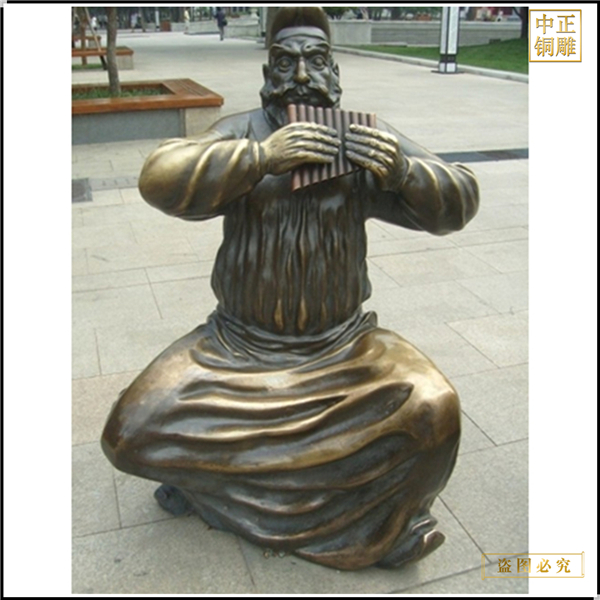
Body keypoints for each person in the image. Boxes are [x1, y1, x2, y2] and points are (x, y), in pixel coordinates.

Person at [102, 7, 479, 571]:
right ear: (267, 72)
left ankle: (375, 523)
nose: (301, 75)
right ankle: (237, 490)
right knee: (127, 432)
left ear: (335, 70)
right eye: (285, 62)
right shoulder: (244, 131)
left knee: (435, 409)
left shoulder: (363, 138)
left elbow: (460, 199)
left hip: (344, 348)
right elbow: (159, 176)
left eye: (315, 60)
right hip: (236, 347)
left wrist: (403, 172)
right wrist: (260, 158)